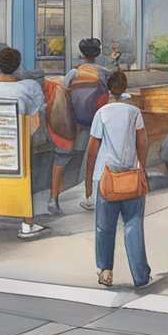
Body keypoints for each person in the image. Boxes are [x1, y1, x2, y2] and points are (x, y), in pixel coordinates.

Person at [87, 70, 150, 288]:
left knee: (105, 227)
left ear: (107, 88)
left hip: (106, 179)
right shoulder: (134, 113)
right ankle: (140, 276)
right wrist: (141, 167)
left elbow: (92, 149)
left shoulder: (102, 113)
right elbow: (142, 143)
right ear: (124, 88)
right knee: (134, 224)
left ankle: (106, 272)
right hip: (131, 177)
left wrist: (88, 181)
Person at [0, 47, 50, 239]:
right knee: (29, 168)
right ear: (18, 65)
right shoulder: (29, 86)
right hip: (16, 146)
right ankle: (27, 224)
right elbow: (37, 115)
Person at [49, 38, 110, 215]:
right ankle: (90, 195)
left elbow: (62, 93)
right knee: (94, 158)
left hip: (73, 123)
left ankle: (53, 199)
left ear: (81, 54)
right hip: (95, 124)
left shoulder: (73, 74)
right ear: (98, 54)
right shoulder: (104, 74)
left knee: (60, 159)